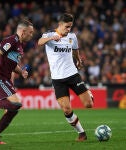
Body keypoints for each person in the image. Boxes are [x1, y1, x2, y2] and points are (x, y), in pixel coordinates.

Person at [38, 13, 94, 141]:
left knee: (88, 105)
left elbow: (75, 49)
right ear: (60, 24)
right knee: (66, 109)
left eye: (70, 27)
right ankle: (81, 133)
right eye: (67, 27)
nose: (68, 29)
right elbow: (39, 42)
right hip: (58, 79)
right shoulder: (49, 34)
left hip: (73, 75)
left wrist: (78, 60)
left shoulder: (72, 36)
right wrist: (52, 38)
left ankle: (88, 94)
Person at [0, 18, 34, 144]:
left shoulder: (20, 45)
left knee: (13, 109)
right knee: (15, 105)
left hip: (5, 79)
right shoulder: (11, 40)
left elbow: (12, 65)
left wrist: (21, 72)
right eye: (30, 32)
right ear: (23, 31)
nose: (31, 35)